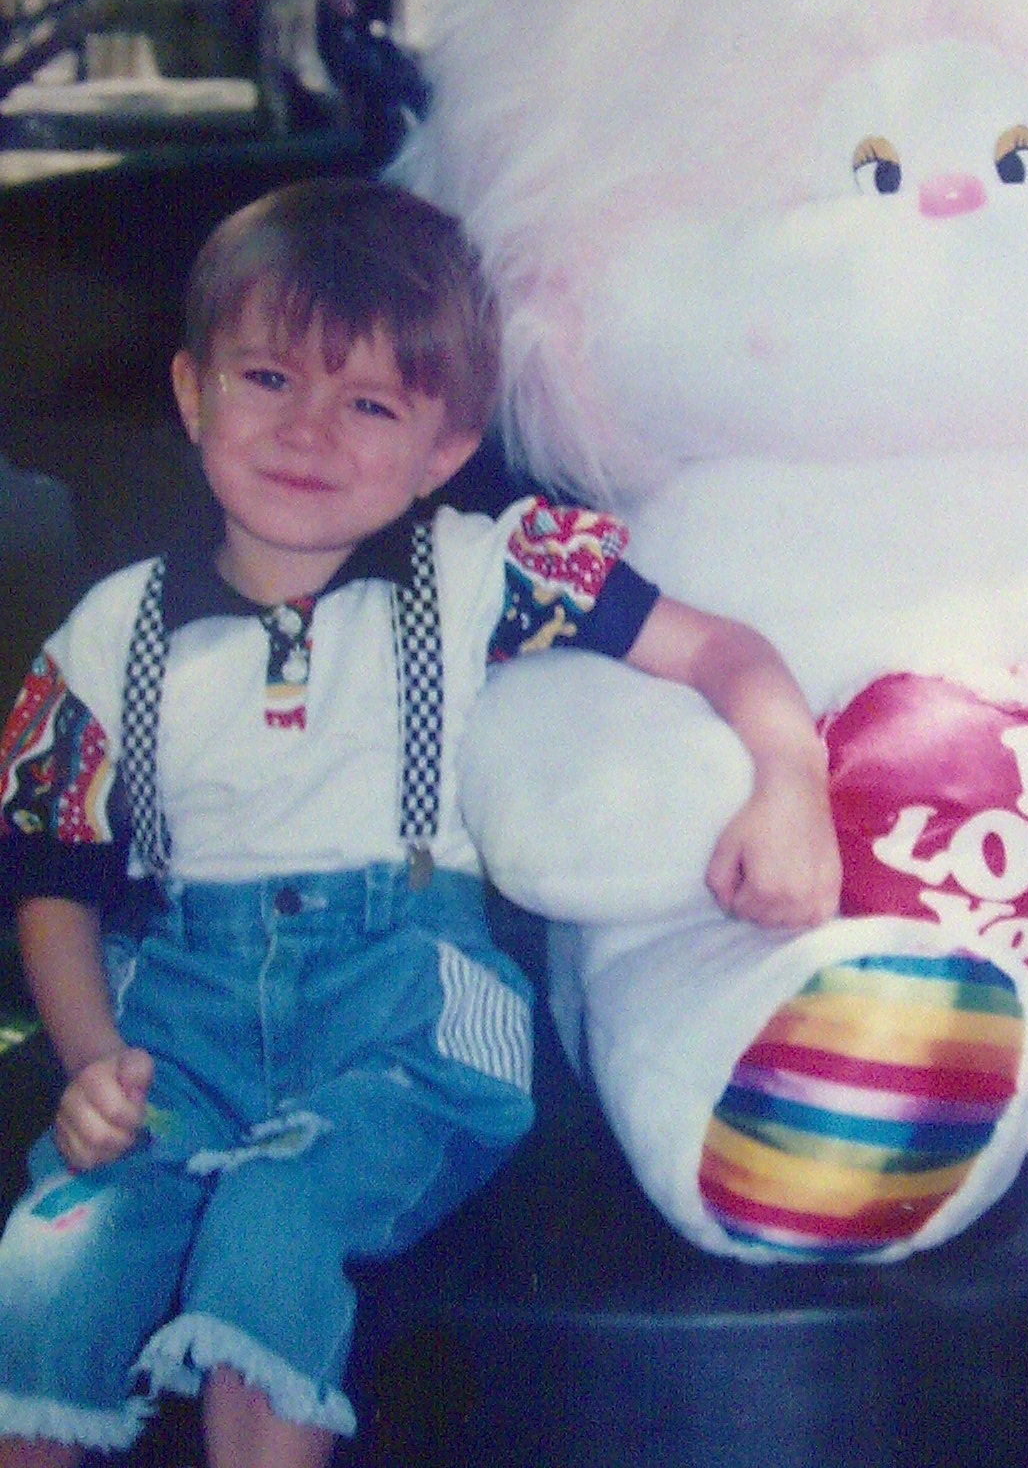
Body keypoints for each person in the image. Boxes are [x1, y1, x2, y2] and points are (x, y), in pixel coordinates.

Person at [0, 178, 839, 1468]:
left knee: (275, 1223)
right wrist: (89, 1058)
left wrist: (789, 778)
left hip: (402, 1019)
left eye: (371, 405)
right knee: (51, 1268)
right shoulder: (111, 633)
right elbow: (52, 868)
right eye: (269, 379)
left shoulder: (480, 571)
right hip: (172, 1023)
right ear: (193, 392)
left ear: (443, 450)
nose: (309, 431)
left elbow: (721, 650)